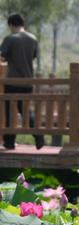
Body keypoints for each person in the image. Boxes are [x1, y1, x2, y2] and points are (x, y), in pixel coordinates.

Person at [0, 14, 44, 150]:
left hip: (12, 81)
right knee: (25, 111)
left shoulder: (10, 39)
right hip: (28, 82)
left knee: (9, 112)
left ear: (11, 25)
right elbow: (34, 56)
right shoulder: (33, 39)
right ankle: (38, 135)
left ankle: (9, 142)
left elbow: (1, 58)